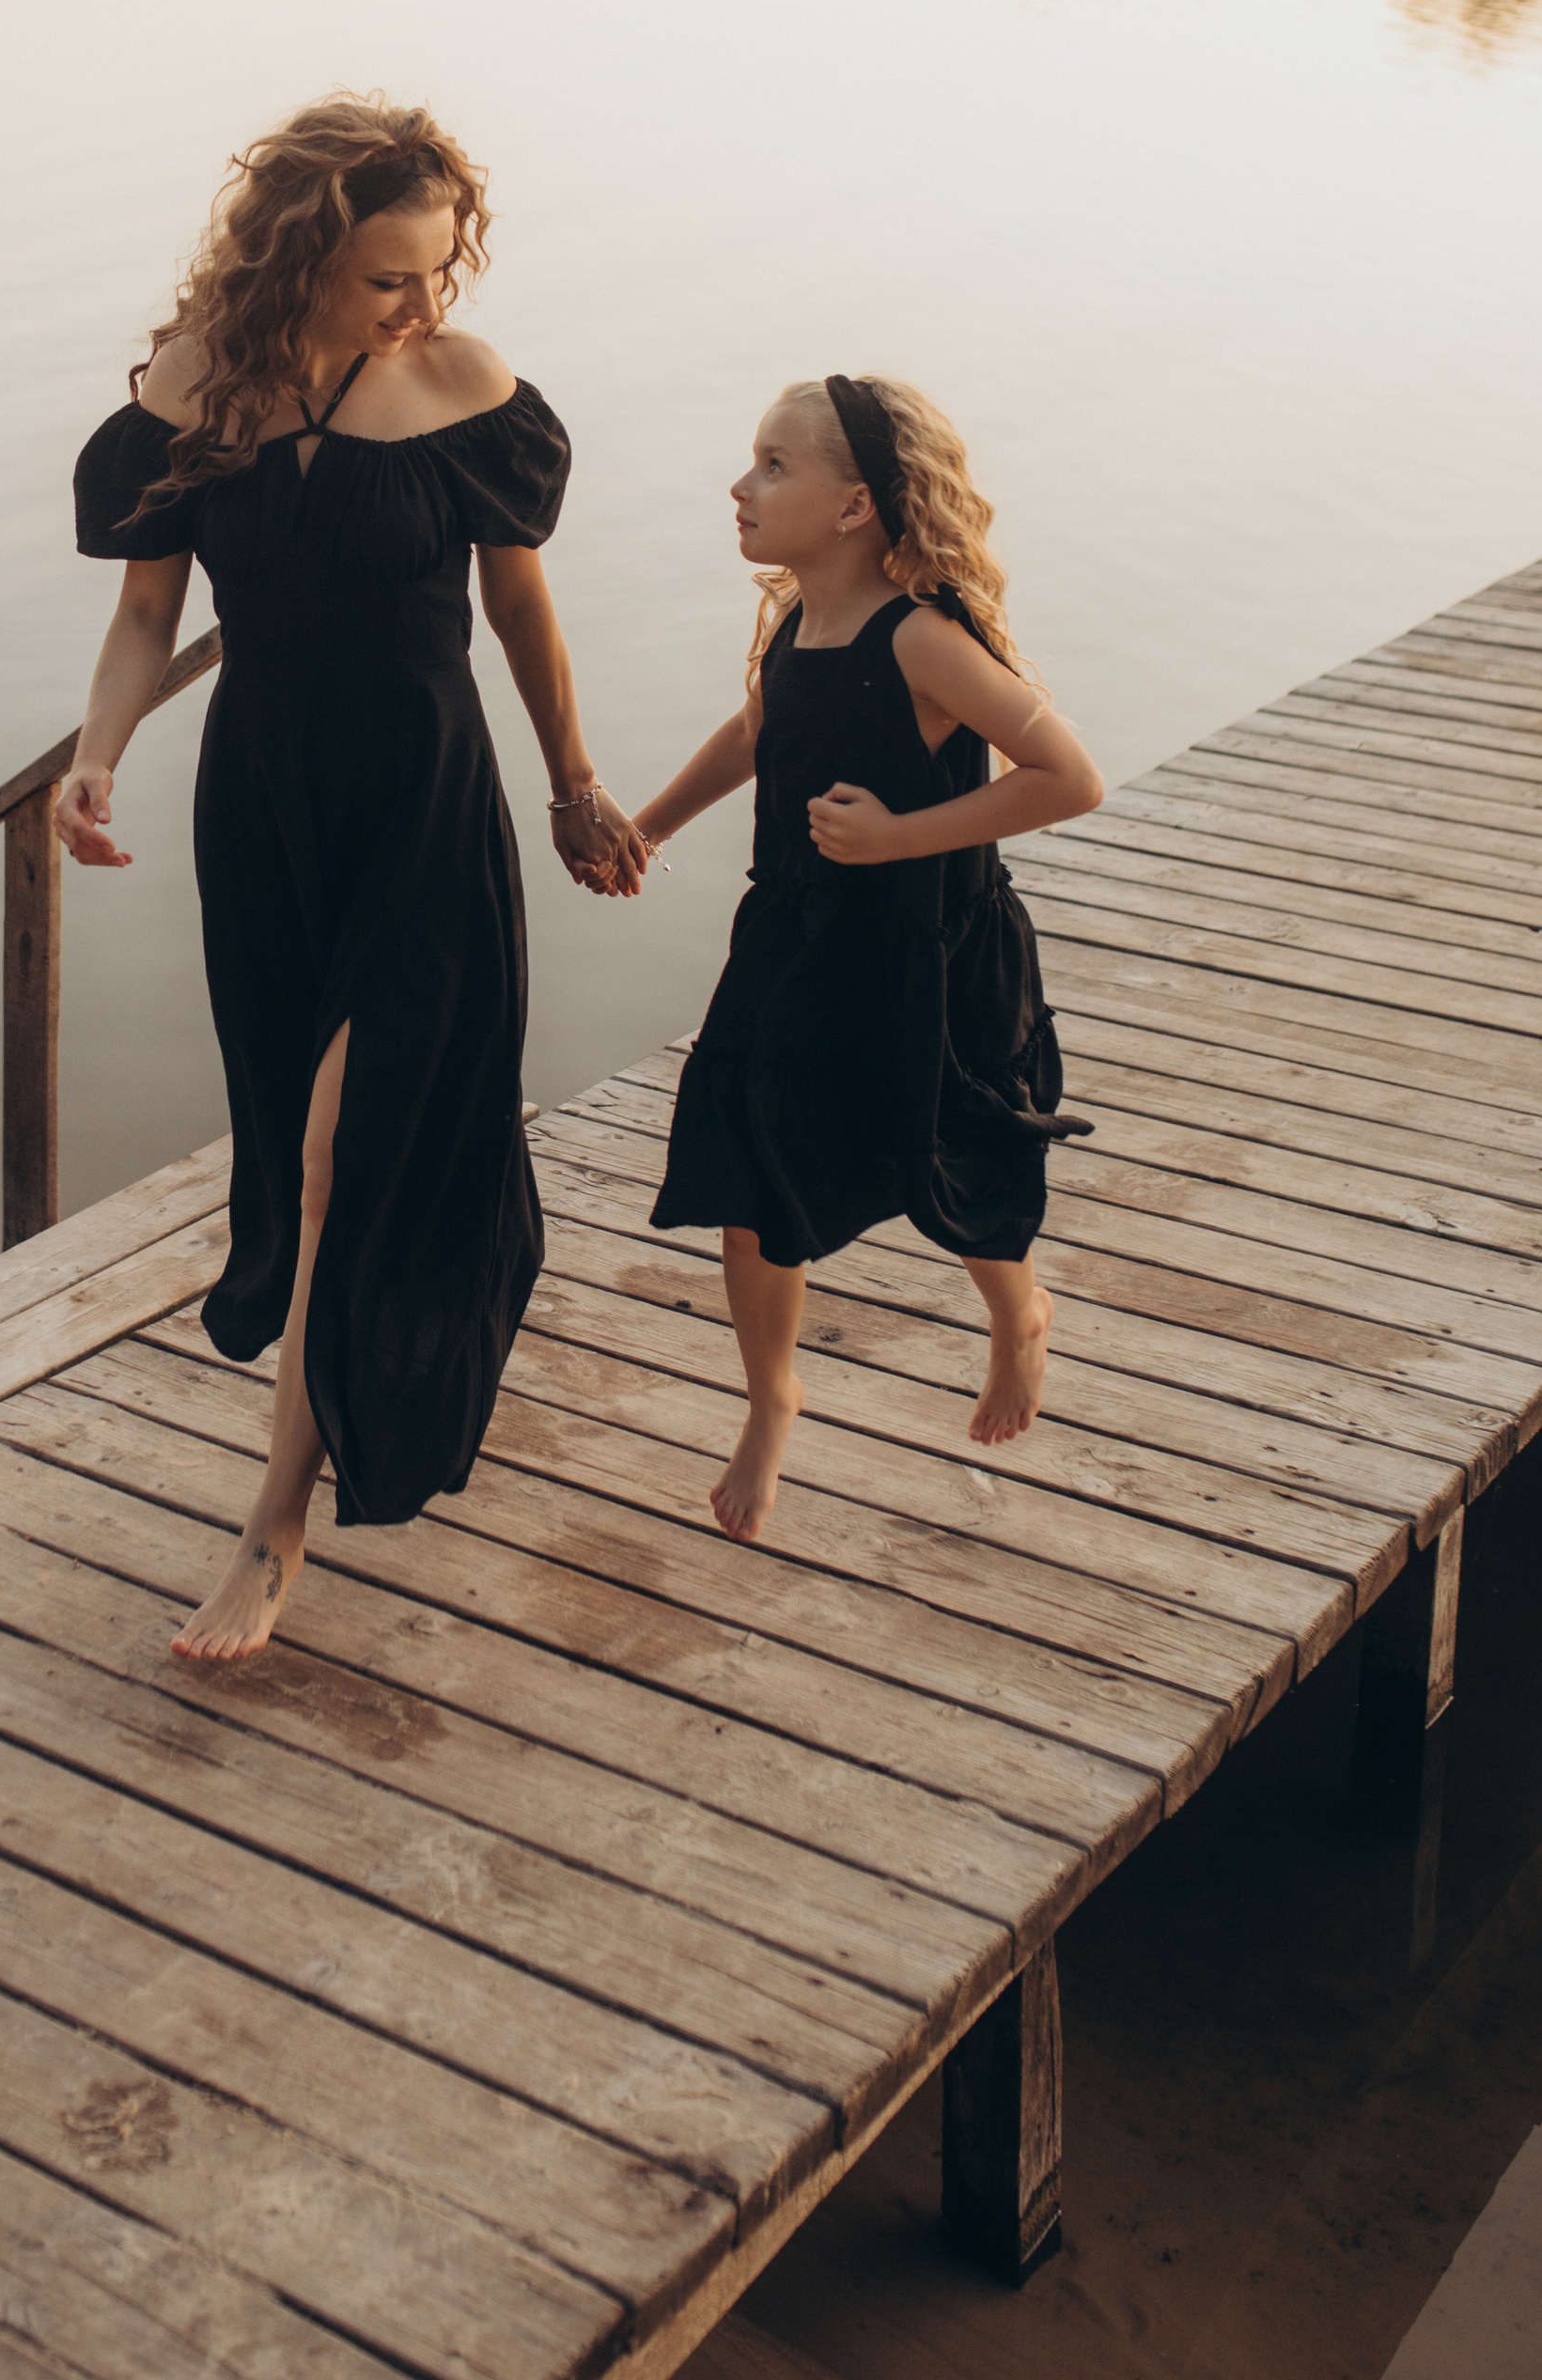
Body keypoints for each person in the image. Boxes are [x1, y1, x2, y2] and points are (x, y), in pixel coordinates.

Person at [62, 94, 646, 1658]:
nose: (419, 302)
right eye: (389, 275)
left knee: (341, 1154)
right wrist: (96, 755)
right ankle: (375, 1361)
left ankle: (275, 1523)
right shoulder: (192, 389)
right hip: (264, 806)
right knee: (297, 1137)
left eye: (438, 269)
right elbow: (146, 613)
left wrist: (572, 782)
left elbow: (519, 611)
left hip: (424, 804)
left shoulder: (464, 388)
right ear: (300, 255)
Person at [625, 372, 1102, 1546]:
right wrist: (649, 825)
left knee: (952, 1150)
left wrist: (898, 838)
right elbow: (759, 729)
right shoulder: (800, 622)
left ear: (853, 506)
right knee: (747, 1165)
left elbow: (1069, 779)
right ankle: (771, 1397)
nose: (741, 486)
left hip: (927, 952)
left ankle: (1018, 1312)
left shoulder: (923, 641)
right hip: (796, 942)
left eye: (773, 465)